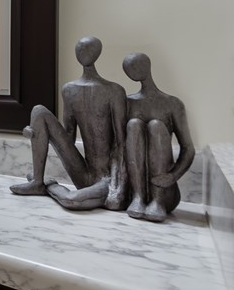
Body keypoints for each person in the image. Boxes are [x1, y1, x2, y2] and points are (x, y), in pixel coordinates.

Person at [10, 37, 127, 210]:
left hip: (106, 178)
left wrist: (118, 184)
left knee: (71, 200)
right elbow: (68, 136)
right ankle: (37, 180)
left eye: (87, 49)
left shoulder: (114, 91)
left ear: (97, 53)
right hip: (83, 173)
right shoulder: (70, 90)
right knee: (39, 111)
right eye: (79, 48)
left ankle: (49, 186)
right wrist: (38, 133)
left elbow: (121, 142)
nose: (82, 52)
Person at [122, 52, 194, 222]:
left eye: (134, 66)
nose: (131, 71)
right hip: (134, 190)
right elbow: (119, 145)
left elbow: (188, 148)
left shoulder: (172, 104)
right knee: (133, 125)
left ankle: (158, 200)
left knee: (156, 126)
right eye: (128, 69)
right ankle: (138, 196)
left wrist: (173, 176)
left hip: (164, 189)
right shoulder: (127, 103)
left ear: (147, 65)